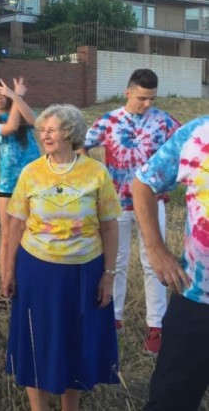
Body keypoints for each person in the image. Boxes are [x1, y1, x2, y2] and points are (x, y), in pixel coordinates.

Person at [2, 104, 121, 411]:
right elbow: (15, 225)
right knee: (36, 341)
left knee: (74, 341)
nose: (44, 135)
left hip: (83, 272)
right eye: (42, 130)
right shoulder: (31, 172)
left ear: (70, 133)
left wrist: (108, 276)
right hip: (37, 271)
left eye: (51, 129)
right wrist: (8, 270)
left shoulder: (96, 173)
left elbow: (109, 227)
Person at [84, 68, 179, 355]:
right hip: (116, 204)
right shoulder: (110, 120)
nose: (147, 104)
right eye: (141, 98)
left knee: (154, 261)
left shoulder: (163, 121)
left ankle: (157, 326)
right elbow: (82, 144)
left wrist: (170, 177)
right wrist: (95, 176)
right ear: (128, 92)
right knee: (117, 261)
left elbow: (185, 146)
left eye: (151, 98)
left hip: (153, 202)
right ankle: (113, 318)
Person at [132, 115, 209, 411]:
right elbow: (143, 183)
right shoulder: (198, 133)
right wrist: (155, 248)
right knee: (169, 402)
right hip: (196, 300)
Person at [0, 78, 40, 288]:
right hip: (9, 186)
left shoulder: (19, 109)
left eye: (1, 93)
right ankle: (6, 282)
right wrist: (17, 95)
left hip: (36, 183)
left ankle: (27, 280)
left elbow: (35, 121)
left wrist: (16, 96)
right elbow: (11, 127)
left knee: (33, 233)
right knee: (8, 236)